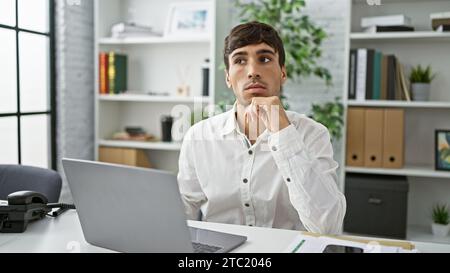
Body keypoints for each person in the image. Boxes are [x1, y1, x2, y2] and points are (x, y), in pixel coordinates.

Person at [177, 21, 346, 235]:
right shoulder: (198, 136)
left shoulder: (313, 134)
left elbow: (327, 225)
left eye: (264, 59)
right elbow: (182, 210)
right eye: (240, 60)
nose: (253, 71)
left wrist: (284, 133)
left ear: (282, 72)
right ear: (228, 77)